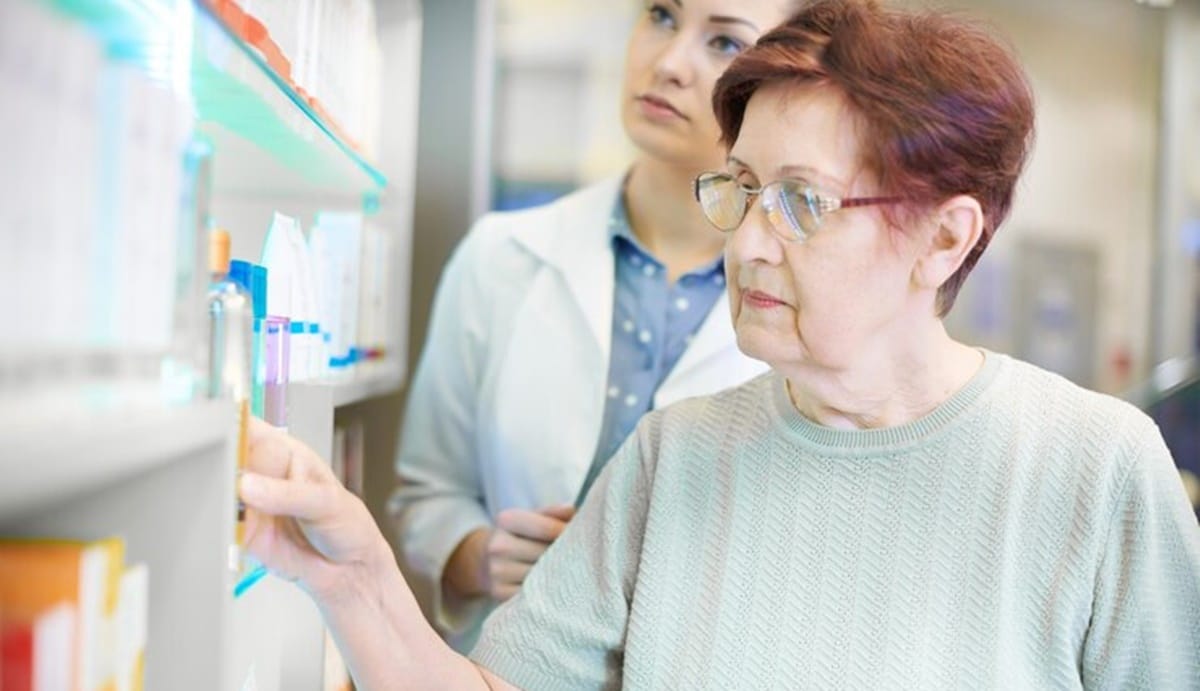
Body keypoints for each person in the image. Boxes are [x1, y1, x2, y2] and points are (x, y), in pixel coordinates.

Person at [241, 1, 1200, 688]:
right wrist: (358, 579)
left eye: (799, 202)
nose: (744, 241)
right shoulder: (676, 455)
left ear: (944, 237)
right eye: (739, 190)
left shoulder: (1096, 467)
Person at [389, 0, 795, 651]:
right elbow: (426, 493)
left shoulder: (801, 302)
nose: (667, 64)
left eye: (723, 43)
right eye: (662, 15)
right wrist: (473, 553)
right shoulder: (501, 255)